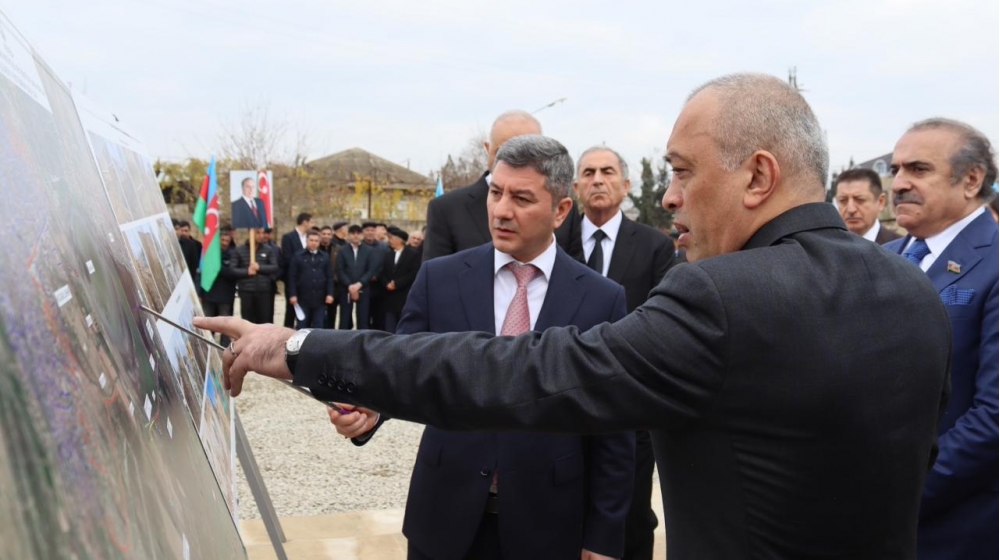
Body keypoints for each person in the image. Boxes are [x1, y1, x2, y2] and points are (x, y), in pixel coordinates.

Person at [199, 73, 953, 559]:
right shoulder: (913, 292)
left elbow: (519, 372)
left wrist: (296, 347)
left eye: (682, 172)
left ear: (758, 175)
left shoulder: (720, 299)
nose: (669, 195)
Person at [331, 136, 634, 560]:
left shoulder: (602, 299)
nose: (502, 210)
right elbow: (400, 368)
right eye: (496, 193)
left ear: (561, 210)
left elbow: (615, 430)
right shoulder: (440, 279)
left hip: (547, 524)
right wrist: (372, 410)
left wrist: (602, 537)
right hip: (444, 519)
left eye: (521, 198)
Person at [884, 118, 998, 560]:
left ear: (971, 180)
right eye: (895, 170)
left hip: (953, 526)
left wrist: (896, 494)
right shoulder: (878, 259)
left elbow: (994, 418)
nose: (899, 184)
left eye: (918, 169)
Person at [575, 145, 676, 560]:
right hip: (562, 401)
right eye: (588, 172)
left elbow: (662, 322)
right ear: (575, 187)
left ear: (626, 185)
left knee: (630, 517)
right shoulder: (554, 243)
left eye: (608, 171)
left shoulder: (655, 247)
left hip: (628, 406)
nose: (598, 179)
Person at [423, 110, 583, 262]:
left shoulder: (563, 210)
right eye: (504, 151)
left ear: (560, 211)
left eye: (529, 152)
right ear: (488, 148)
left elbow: (576, 275)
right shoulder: (446, 209)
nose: (501, 212)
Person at [833, 167, 901, 244]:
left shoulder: (901, 248)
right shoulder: (828, 247)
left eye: (859, 200)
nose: (851, 209)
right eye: (843, 200)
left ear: (880, 202)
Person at [334, 225, 381, 329]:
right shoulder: (342, 250)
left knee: (363, 319)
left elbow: (371, 270)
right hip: (346, 289)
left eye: (358, 233)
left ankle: (362, 339)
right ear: (348, 235)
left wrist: (359, 284)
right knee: (344, 319)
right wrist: (350, 286)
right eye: (353, 233)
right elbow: (340, 270)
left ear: (362, 235)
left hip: (363, 288)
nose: (355, 236)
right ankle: (343, 339)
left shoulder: (369, 250)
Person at [231, 227, 280, 324]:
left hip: (263, 291)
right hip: (246, 291)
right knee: (247, 321)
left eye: (262, 233)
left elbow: (274, 267)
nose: (261, 235)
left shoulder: (268, 250)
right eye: (258, 233)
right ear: (250, 233)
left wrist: (260, 267)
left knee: (264, 321)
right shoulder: (239, 250)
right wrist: (246, 271)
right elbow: (233, 270)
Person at [287, 230, 334, 329]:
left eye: (316, 241)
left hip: (320, 298)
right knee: (302, 325)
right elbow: (292, 277)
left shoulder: (324, 257)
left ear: (319, 242)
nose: (313, 243)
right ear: (307, 241)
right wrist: (293, 294)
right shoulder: (298, 256)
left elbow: (329, 277)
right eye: (311, 240)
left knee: (318, 325)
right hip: (302, 298)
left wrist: (330, 294)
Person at [379, 226, 421, 333]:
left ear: (400, 240)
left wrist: (397, 283)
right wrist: (387, 283)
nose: (390, 241)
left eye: (392, 238)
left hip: (404, 294)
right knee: (389, 325)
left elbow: (413, 273)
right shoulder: (388, 254)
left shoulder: (412, 254)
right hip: (389, 295)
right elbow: (382, 272)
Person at [279, 213, 313, 328]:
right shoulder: (288, 237)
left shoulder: (309, 238)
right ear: (304, 222)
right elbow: (288, 258)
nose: (312, 225)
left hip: (307, 281)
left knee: (305, 311)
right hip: (293, 279)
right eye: (311, 222)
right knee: (291, 309)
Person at [362, 221, 391, 330]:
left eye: (372, 230)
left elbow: (386, 264)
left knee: (379, 317)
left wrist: (377, 275)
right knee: (364, 317)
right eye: (367, 230)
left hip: (380, 286)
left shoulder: (384, 247)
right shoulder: (359, 246)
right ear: (363, 232)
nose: (370, 232)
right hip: (363, 285)